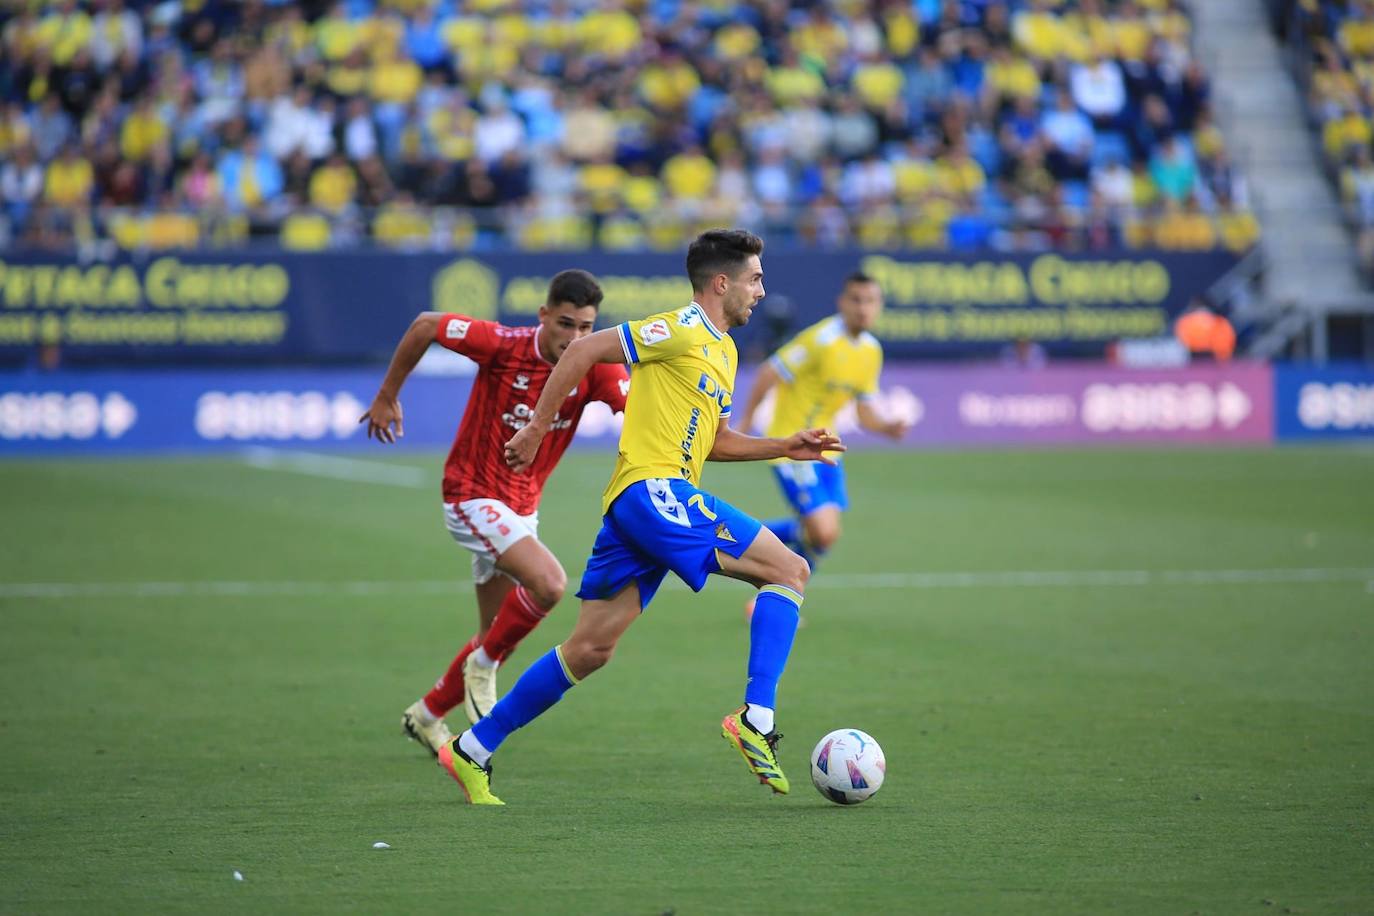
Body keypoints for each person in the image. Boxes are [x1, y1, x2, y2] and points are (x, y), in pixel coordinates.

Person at [437, 229, 844, 804]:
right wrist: (534, 427)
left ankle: (471, 749)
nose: (761, 289)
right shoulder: (680, 327)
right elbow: (582, 351)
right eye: (754, 278)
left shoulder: (724, 351)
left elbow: (715, 441)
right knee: (790, 570)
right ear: (721, 283)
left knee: (589, 650)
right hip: (653, 492)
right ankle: (756, 716)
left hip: (646, 505)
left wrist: (783, 445)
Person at [359, 269, 629, 757]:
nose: (576, 338)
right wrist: (386, 395)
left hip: (522, 509)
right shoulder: (504, 345)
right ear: (543, 315)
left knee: (497, 630)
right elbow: (425, 325)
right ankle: (483, 667)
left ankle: (426, 715)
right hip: (471, 494)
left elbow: (634, 412)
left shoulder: (597, 365)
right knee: (548, 585)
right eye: (565, 324)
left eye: (586, 328)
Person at [735, 272, 909, 577]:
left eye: (870, 301)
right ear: (841, 302)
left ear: (880, 305)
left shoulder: (871, 350)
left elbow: (864, 410)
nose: (863, 308)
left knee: (823, 536)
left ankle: (774, 583)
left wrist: (886, 427)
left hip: (828, 450)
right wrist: (748, 420)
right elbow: (769, 372)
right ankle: (732, 539)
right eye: (856, 300)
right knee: (823, 532)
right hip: (792, 444)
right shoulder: (821, 340)